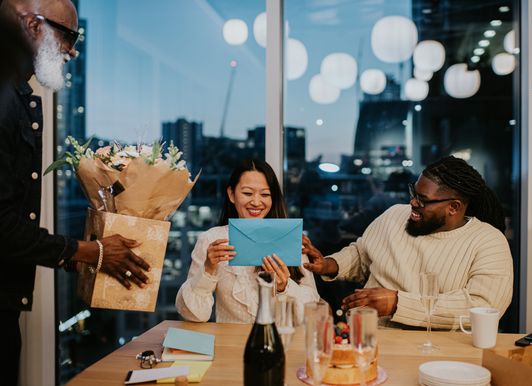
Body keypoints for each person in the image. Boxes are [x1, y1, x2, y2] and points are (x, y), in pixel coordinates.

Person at [0, 1, 150, 383]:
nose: (73, 50)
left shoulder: (17, 97)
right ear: (33, 26)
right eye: (69, 36)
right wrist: (90, 252)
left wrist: (81, 255)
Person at [303, 156, 513, 329]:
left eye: (423, 199)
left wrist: (396, 303)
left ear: (454, 207)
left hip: (441, 352)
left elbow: (483, 307)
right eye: (414, 193)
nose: (413, 202)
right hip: (367, 339)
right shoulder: (394, 215)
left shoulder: (489, 242)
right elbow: (362, 254)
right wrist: (330, 264)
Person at [176, 159, 319, 323]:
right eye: (248, 193)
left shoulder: (288, 237)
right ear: (231, 194)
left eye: (265, 194)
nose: (256, 202)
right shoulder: (212, 240)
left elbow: (313, 311)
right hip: (231, 345)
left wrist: (284, 286)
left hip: (283, 343)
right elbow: (193, 315)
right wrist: (208, 270)